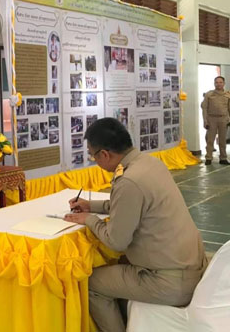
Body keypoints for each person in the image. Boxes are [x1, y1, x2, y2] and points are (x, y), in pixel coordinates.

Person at [64, 118, 207, 332]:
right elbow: (130, 205)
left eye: (93, 156)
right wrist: (90, 206)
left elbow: (116, 242)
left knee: (92, 284)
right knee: (116, 268)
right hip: (191, 266)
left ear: (104, 154)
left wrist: (89, 219)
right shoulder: (149, 164)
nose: (95, 161)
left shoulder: (129, 180)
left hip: (168, 281)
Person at [201, 76, 230, 165]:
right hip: (212, 119)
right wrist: (205, 121)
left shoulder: (228, 95)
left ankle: (223, 158)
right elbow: (204, 108)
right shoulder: (209, 94)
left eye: (220, 82)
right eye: (217, 82)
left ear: (224, 83)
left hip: (223, 119)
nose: (219, 84)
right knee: (210, 140)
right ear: (214, 83)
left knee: (222, 140)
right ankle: (209, 158)